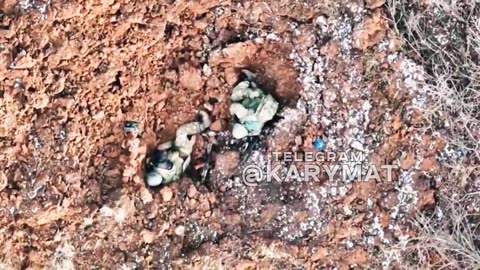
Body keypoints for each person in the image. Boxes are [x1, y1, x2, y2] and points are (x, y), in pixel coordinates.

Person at [146, 111, 211, 187]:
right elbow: (162, 154)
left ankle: (194, 137)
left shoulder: (165, 180)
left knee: (187, 140)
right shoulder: (164, 167)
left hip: (182, 158)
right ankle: (203, 126)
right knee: (180, 132)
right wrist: (171, 144)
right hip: (183, 151)